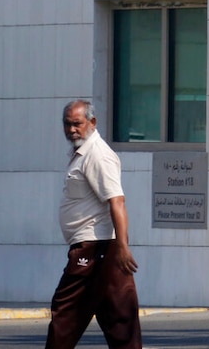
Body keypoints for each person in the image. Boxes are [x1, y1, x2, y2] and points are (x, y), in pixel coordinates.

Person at [45, 100, 142, 349]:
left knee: (66, 312)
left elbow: (117, 201)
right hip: (103, 249)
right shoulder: (83, 153)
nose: (71, 130)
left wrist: (122, 246)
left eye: (77, 124)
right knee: (119, 316)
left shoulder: (97, 154)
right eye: (67, 124)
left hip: (96, 248)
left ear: (92, 122)